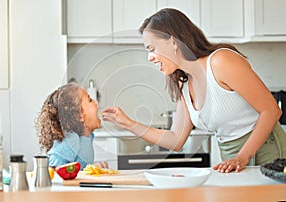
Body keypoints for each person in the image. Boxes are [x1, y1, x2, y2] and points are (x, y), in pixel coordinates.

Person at [102, 8, 286, 173]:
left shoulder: (221, 62)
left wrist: (242, 157)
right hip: (231, 156)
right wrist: (128, 123)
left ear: (173, 42)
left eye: (152, 49)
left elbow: (271, 110)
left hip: (267, 149)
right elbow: (175, 140)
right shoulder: (184, 84)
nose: (149, 57)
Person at [36, 83, 107, 170]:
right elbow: (55, 170)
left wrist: (94, 168)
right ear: (79, 115)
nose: (96, 102)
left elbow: (80, 167)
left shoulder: (88, 137)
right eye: (90, 100)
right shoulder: (71, 140)